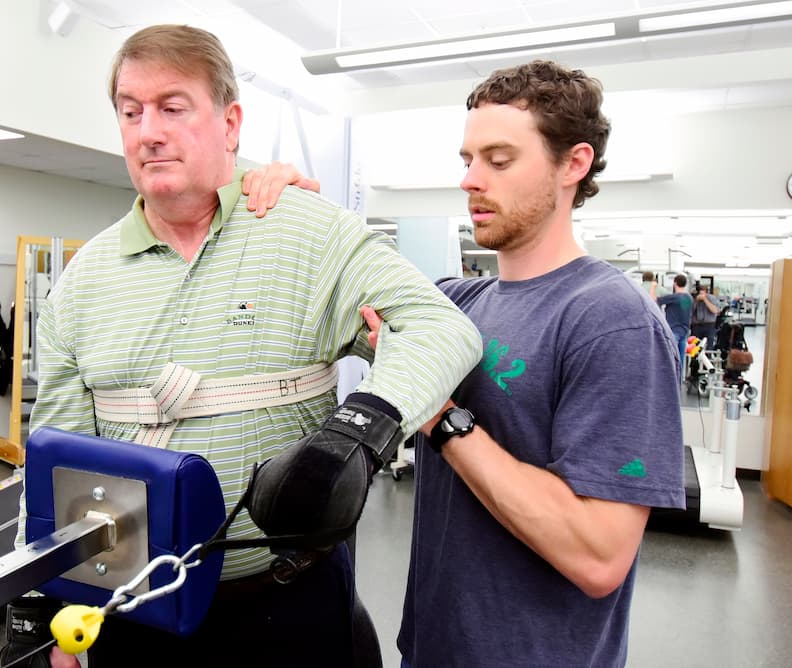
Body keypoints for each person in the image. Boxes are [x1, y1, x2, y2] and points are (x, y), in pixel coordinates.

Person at [12, 24, 482, 668]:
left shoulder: (311, 234)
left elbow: (440, 328)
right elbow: (59, 453)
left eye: (173, 107)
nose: (148, 129)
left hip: (288, 601)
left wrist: (357, 432)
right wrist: (41, 608)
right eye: (130, 111)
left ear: (230, 124)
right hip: (132, 604)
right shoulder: (83, 281)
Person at [275, 59, 685, 667]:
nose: (471, 180)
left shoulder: (611, 319)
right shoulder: (455, 304)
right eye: (467, 160)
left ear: (573, 164)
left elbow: (599, 557)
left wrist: (442, 417)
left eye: (498, 160)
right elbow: (335, 299)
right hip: (432, 648)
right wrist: (289, 210)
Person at [658, 274, 694, 380]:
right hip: (685, 331)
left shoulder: (674, 297)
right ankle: (679, 380)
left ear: (675, 283)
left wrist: (654, 286)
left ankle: (669, 380)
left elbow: (654, 300)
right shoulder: (688, 298)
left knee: (669, 356)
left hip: (674, 331)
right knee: (681, 357)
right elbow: (684, 312)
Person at [691, 283, 721, 349]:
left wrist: (705, 299)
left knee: (709, 345)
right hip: (696, 325)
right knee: (694, 347)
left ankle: (708, 356)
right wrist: (696, 301)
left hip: (709, 325)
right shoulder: (692, 299)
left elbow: (715, 310)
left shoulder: (712, 298)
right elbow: (689, 311)